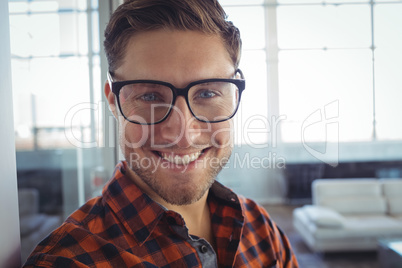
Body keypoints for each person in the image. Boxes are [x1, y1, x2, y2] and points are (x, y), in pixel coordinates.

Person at [24, 0, 299, 267]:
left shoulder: (262, 231)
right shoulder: (66, 260)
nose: (183, 135)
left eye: (207, 93)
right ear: (113, 102)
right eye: (150, 96)